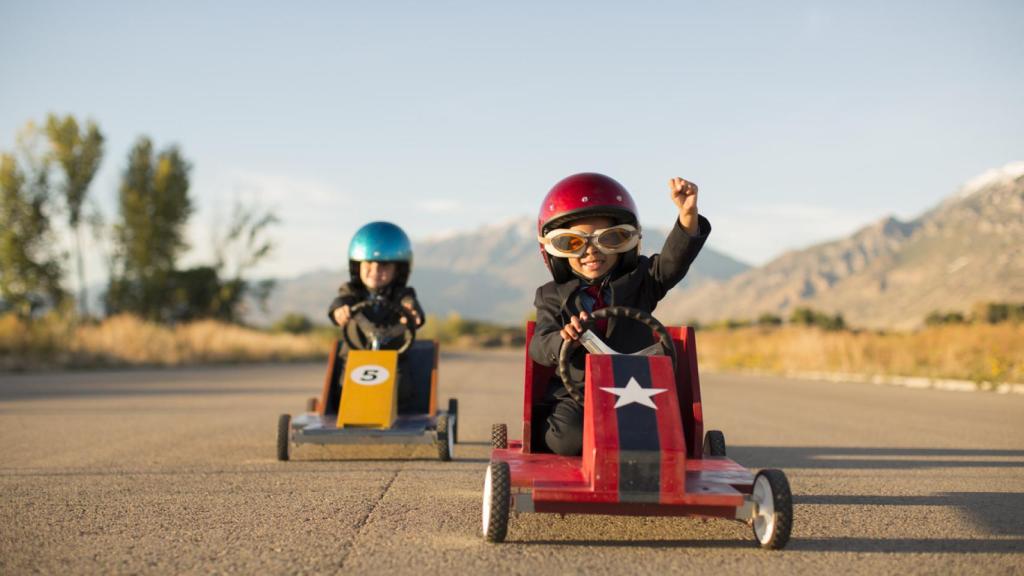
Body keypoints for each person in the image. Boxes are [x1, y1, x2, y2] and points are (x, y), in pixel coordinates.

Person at [528, 172, 710, 456]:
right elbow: (539, 345)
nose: (591, 252)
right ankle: (548, 434)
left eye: (609, 239)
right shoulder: (550, 295)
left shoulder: (642, 280)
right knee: (566, 440)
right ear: (554, 249)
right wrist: (563, 340)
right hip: (579, 395)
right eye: (573, 243)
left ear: (628, 241)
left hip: (639, 390)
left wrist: (688, 216)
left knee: (658, 441)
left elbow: (674, 263)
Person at [327, 221, 426, 412]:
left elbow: (412, 306)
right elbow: (340, 302)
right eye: (369, 265)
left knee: (401, 386)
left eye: (384, 266)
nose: (375, 271)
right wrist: (339, 310)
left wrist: (413, 313)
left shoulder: (403, 294)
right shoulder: (350, 291)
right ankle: (348, 411)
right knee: (343, 385)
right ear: (357, 267)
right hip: (354, 357)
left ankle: (396, 414)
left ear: (398, 270)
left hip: (393, 358)